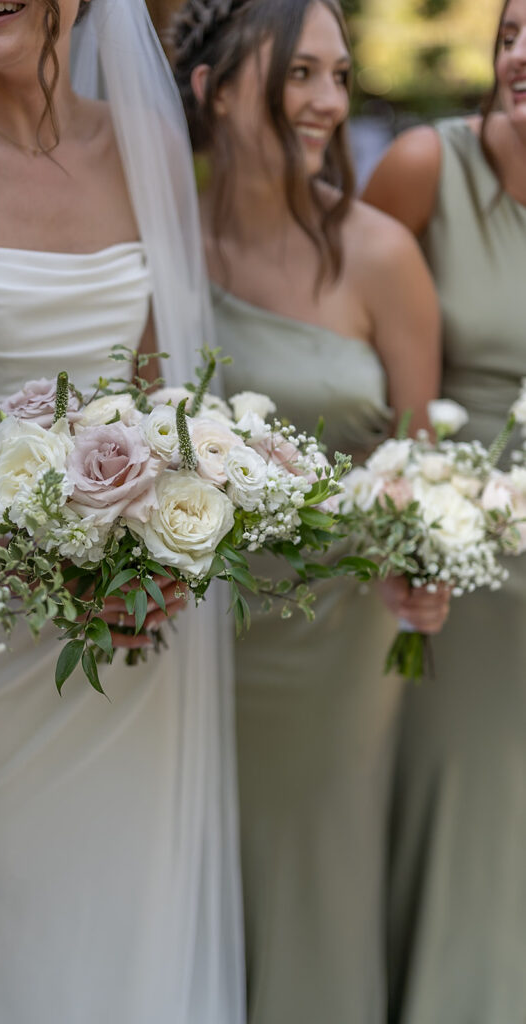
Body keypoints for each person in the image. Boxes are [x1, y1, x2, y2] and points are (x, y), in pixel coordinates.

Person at [0, 1, 244, 1022]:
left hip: (130, 641)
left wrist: (149, 557)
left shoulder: (145, 145)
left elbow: (160, 393)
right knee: (13, 948)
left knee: (137, 943)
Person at [170, 0, 448, 1020]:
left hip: (340, 636)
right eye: (297, 73)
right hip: (191, 635)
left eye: (338, 75)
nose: (326, 100)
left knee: (318, 878)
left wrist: (420, 567)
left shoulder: (378, 255)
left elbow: (424, 462)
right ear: (214, 89)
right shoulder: (159, 258)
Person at [363, 2, 526, 1020]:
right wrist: (407, 517)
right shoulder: (428, 165)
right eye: (511, 31)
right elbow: (345, 332)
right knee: (465, 810)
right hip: (459, 562)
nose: (520, 52)